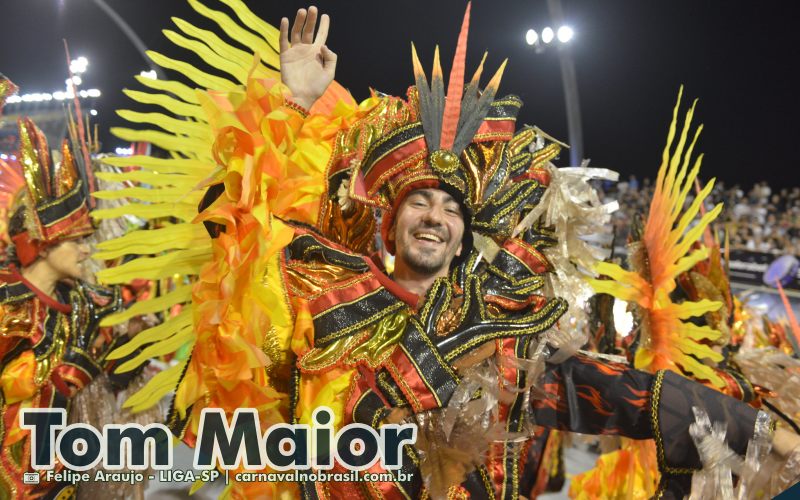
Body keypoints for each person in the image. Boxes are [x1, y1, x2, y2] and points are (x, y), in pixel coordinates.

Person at [96, 3, 800, 499]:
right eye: (419, 202)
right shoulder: (334, 296)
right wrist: (295, 103)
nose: (434, 216)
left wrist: (755, 429)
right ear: (392, 220)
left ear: (468, 233)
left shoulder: (495, 329)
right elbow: (254, 233)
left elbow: (611, 392)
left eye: (451, 208)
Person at [0, 78, 146, 499]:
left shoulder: (80, 303)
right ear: (44, 242)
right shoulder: (8, 301)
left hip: (56, 474)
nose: (87, 251)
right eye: (78, 241)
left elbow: (121, 364)